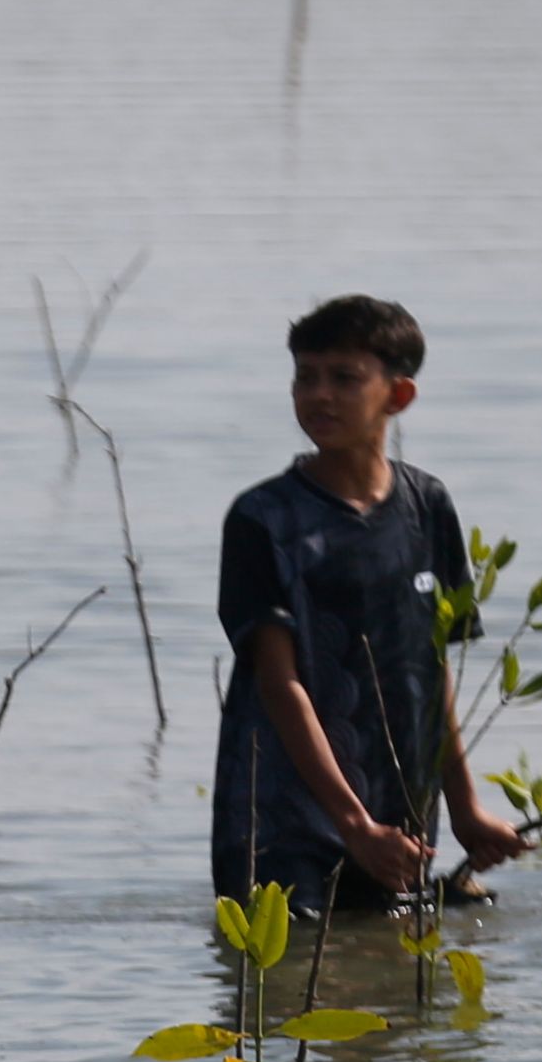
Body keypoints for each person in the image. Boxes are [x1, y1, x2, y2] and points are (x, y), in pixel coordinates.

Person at [215, 293, 526, 916]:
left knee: (392, 973)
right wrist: (353, 825)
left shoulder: (427, 507)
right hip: (283, 825)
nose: (319, 395)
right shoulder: (263, 519)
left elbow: (431, 670)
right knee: (283, 967)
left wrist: (465, 809)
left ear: (398, 395)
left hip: (399, 818)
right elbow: (280, 685)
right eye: (306, 377)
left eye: (344, 378)